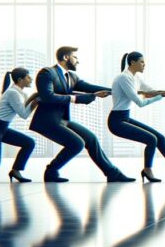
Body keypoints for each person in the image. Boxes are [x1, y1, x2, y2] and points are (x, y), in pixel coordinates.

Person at [30, 46, 133, 183]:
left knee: (90, 139)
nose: (78, 61)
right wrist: (77, 98)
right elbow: (48, 97)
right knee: (77, 144)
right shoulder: (47, 73)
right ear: (66, 57)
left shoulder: (71, 77)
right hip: (47, 121)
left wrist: (118, 90)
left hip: (62, 120)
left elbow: (90, 88)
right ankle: (51, 171)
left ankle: (112, 174)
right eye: (75, 57)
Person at [107, 51, 165, 183]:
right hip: (116, 121)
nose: (144, 64)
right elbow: (140, 103)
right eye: (142, 62)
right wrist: (162, 96)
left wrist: (164, 92)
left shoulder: (135, 77)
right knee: (151, 139)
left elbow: (149, 90)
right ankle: (147, 169)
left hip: (125, 117)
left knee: (160, 137)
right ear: (132, 62)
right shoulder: (124, 78)